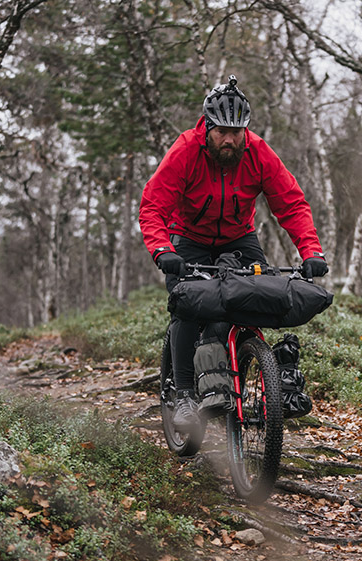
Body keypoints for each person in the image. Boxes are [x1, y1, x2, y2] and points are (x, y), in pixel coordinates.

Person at [139, 75, 329, 429]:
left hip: (238, 237)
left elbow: (291, 205)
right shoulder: (185, 151)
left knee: (255, 296)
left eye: (236, 132)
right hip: (188, 238)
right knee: (188, 306)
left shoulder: (257, 153)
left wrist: (311, 251)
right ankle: (183, 396)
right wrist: (162, 248)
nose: (229, 139)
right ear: (207, 128)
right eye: (221, 131)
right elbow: (154, 205)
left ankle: (249, 368)